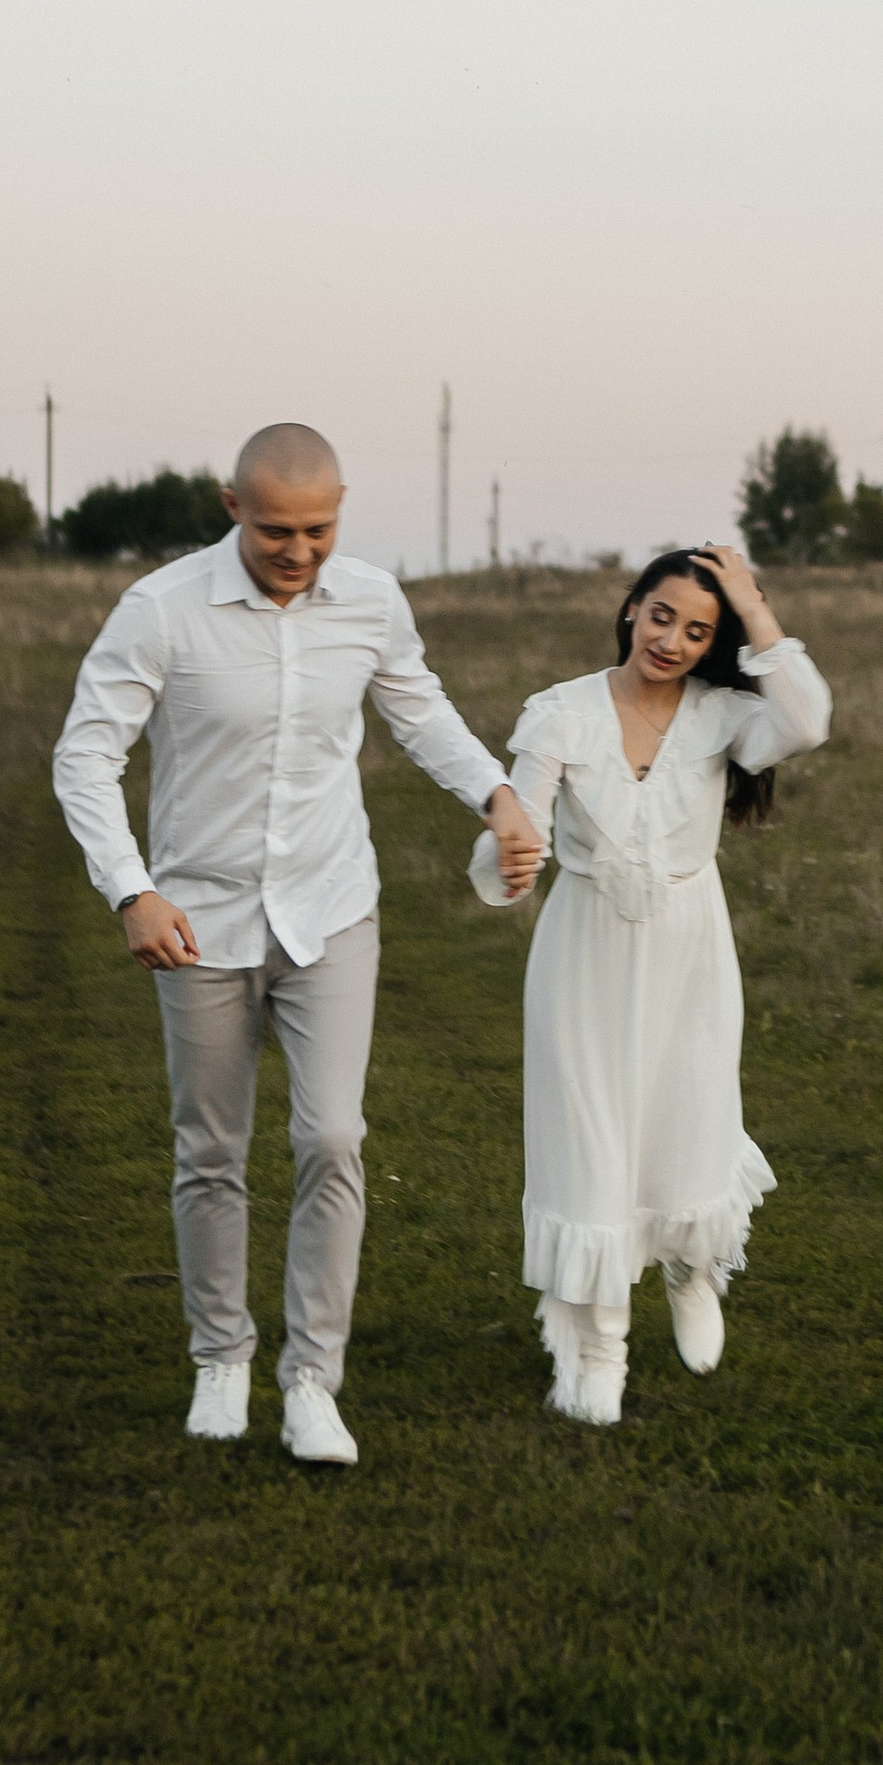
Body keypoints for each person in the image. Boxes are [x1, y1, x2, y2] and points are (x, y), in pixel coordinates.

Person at [52, 422, 543, 1466]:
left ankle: (313, 1379)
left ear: (340, 510)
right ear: (232, 505)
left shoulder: (371, 601)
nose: (299, 550)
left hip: (331, 909)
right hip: (199, 922)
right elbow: (86, 756)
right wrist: (132, 890)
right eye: (277, 529)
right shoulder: (161, 609)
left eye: (318, 529)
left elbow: (421, 712)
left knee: (332, 1138)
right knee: (209, 1149)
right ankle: (220, 1356)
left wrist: (497, 795)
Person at [471, 542, 831, 1423]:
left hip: (689, 950)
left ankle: (691, 1268)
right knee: (588, 1144)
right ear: (632, 608)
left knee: (688, 1117)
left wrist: (752, 604)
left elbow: (808, 721)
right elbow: (520, 819)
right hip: (584, 954)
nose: (671, 641)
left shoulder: (724, 716)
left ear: (714, 643)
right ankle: (600, 1346)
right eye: (661, 616)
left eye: (697, 631)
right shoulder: (560, 713)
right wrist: (509, 855)